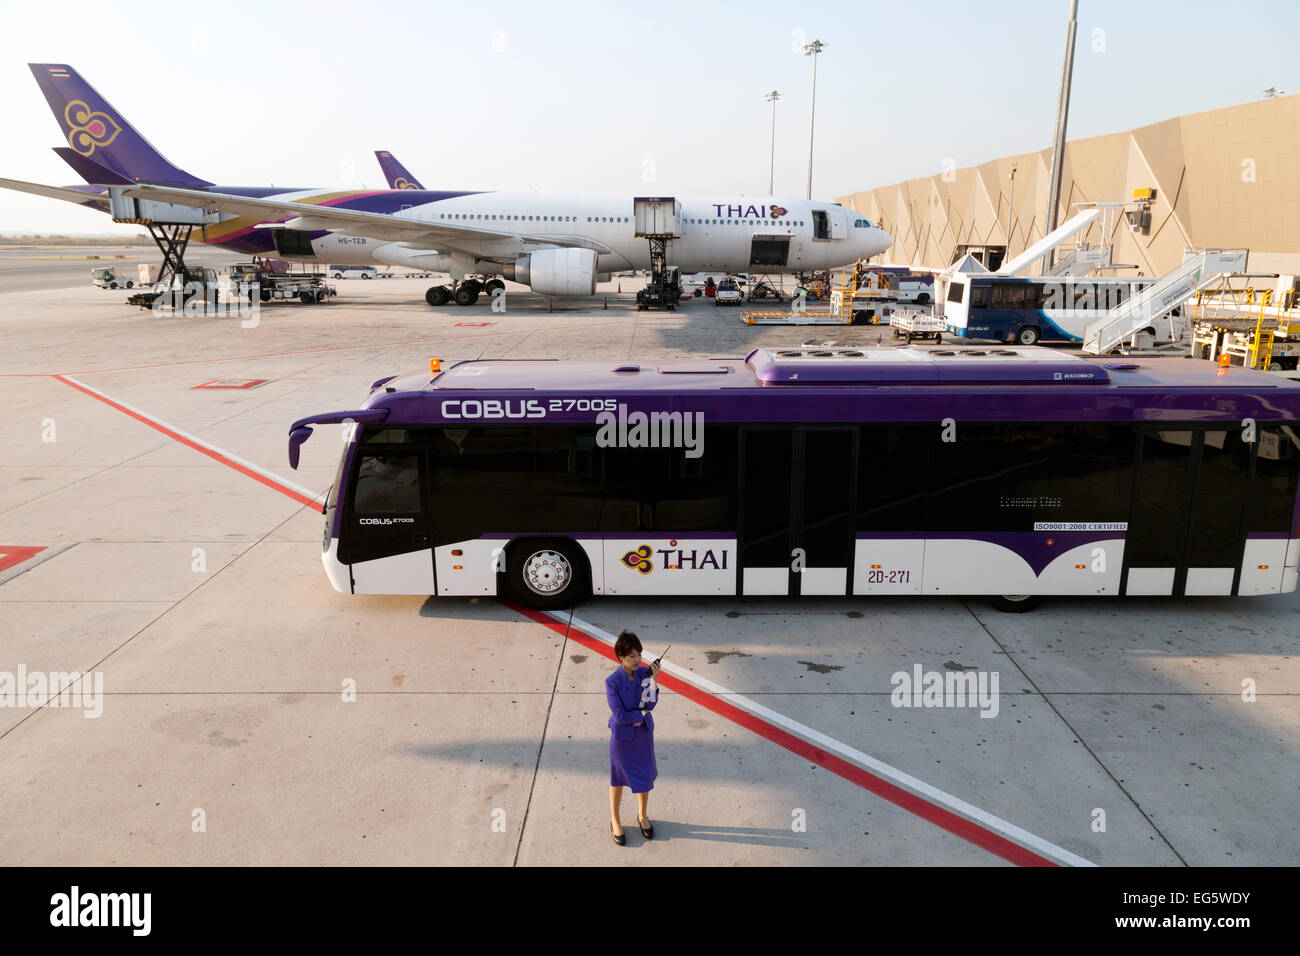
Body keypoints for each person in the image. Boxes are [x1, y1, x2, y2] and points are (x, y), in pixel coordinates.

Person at [606, 629, 660, 845]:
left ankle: (642, 815)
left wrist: (654, 681)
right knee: (617, 780)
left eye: (639, 654)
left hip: (643, 738)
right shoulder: (612, 682)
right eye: (632, 656)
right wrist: (640, 715)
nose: (638, 660)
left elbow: (651, 704)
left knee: (645, 778)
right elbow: (619, 715)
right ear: (621, 657)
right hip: (622, 740)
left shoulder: (644, 674)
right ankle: (615, 820)